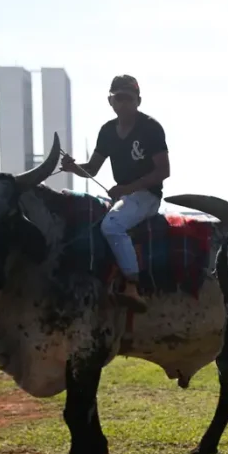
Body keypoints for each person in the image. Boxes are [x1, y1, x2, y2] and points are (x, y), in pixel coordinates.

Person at [61, 75, 170, 312]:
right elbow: (91, 169)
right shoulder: (107, 131)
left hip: (146, 196)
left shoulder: (150, 127)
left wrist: (127, 189)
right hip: (123, 198)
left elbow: (163, 170)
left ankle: (133, 284)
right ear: (110, 101)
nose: (123, 103)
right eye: (117, 98)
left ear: (138, 101)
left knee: (111, 226)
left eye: (128, 98)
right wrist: (73, 167)